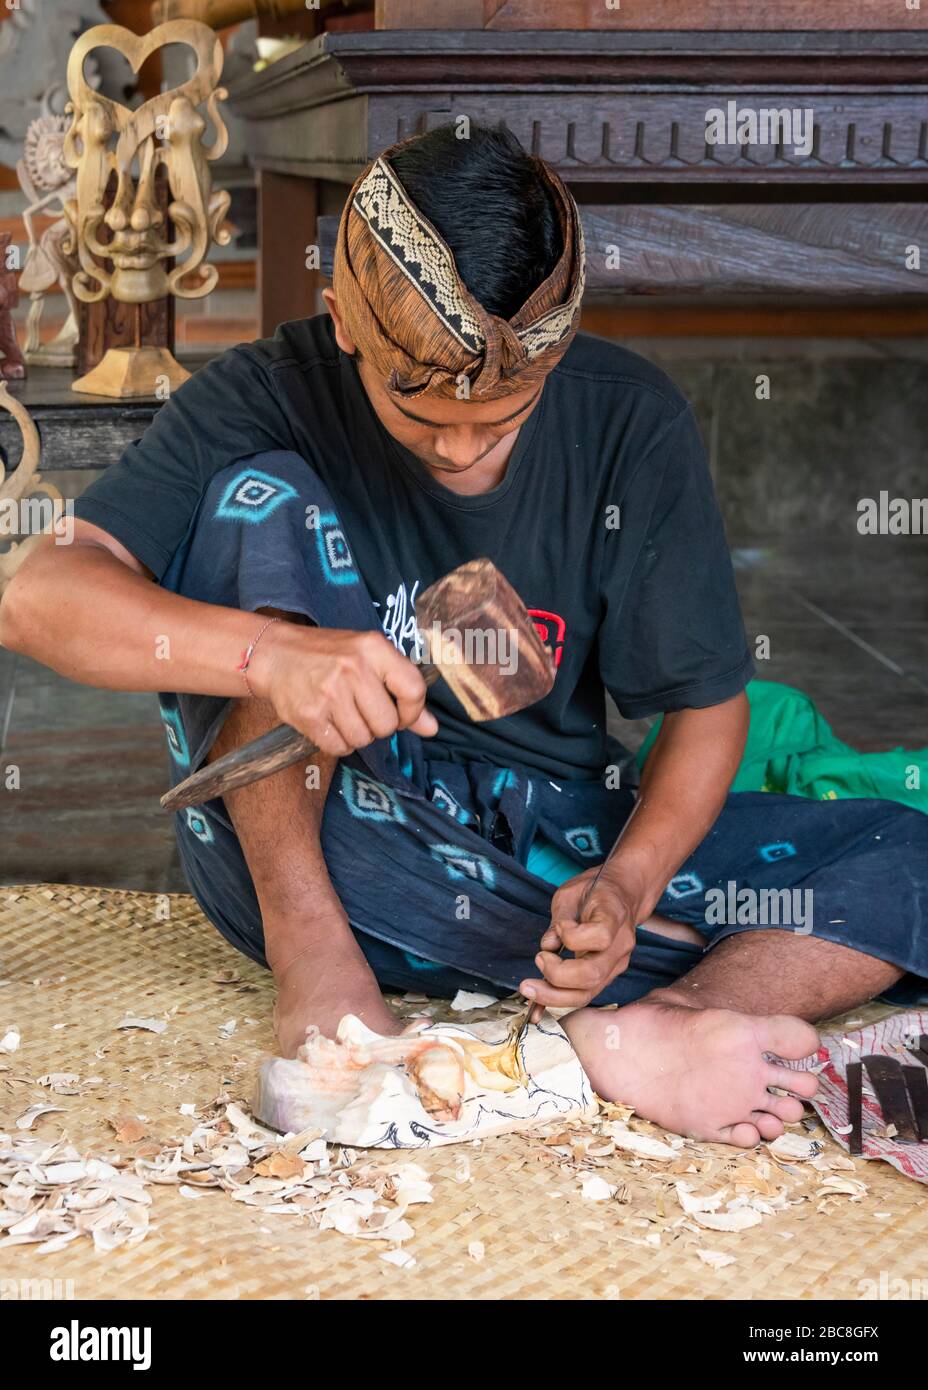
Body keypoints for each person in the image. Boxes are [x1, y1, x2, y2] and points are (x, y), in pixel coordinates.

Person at [4, 125, 926, 1148]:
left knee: (907, 850)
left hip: (541, 860)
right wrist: (272, 657)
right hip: (325, 843)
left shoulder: (631, 422)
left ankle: (654, 1022)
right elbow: (35, 594)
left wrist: (625, 888)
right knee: (257, 498)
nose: (457, 447)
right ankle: (321, 971)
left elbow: (708, 710)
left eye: (502, 417)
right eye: (419, 410)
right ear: (343, 320)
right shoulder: (266, 393)